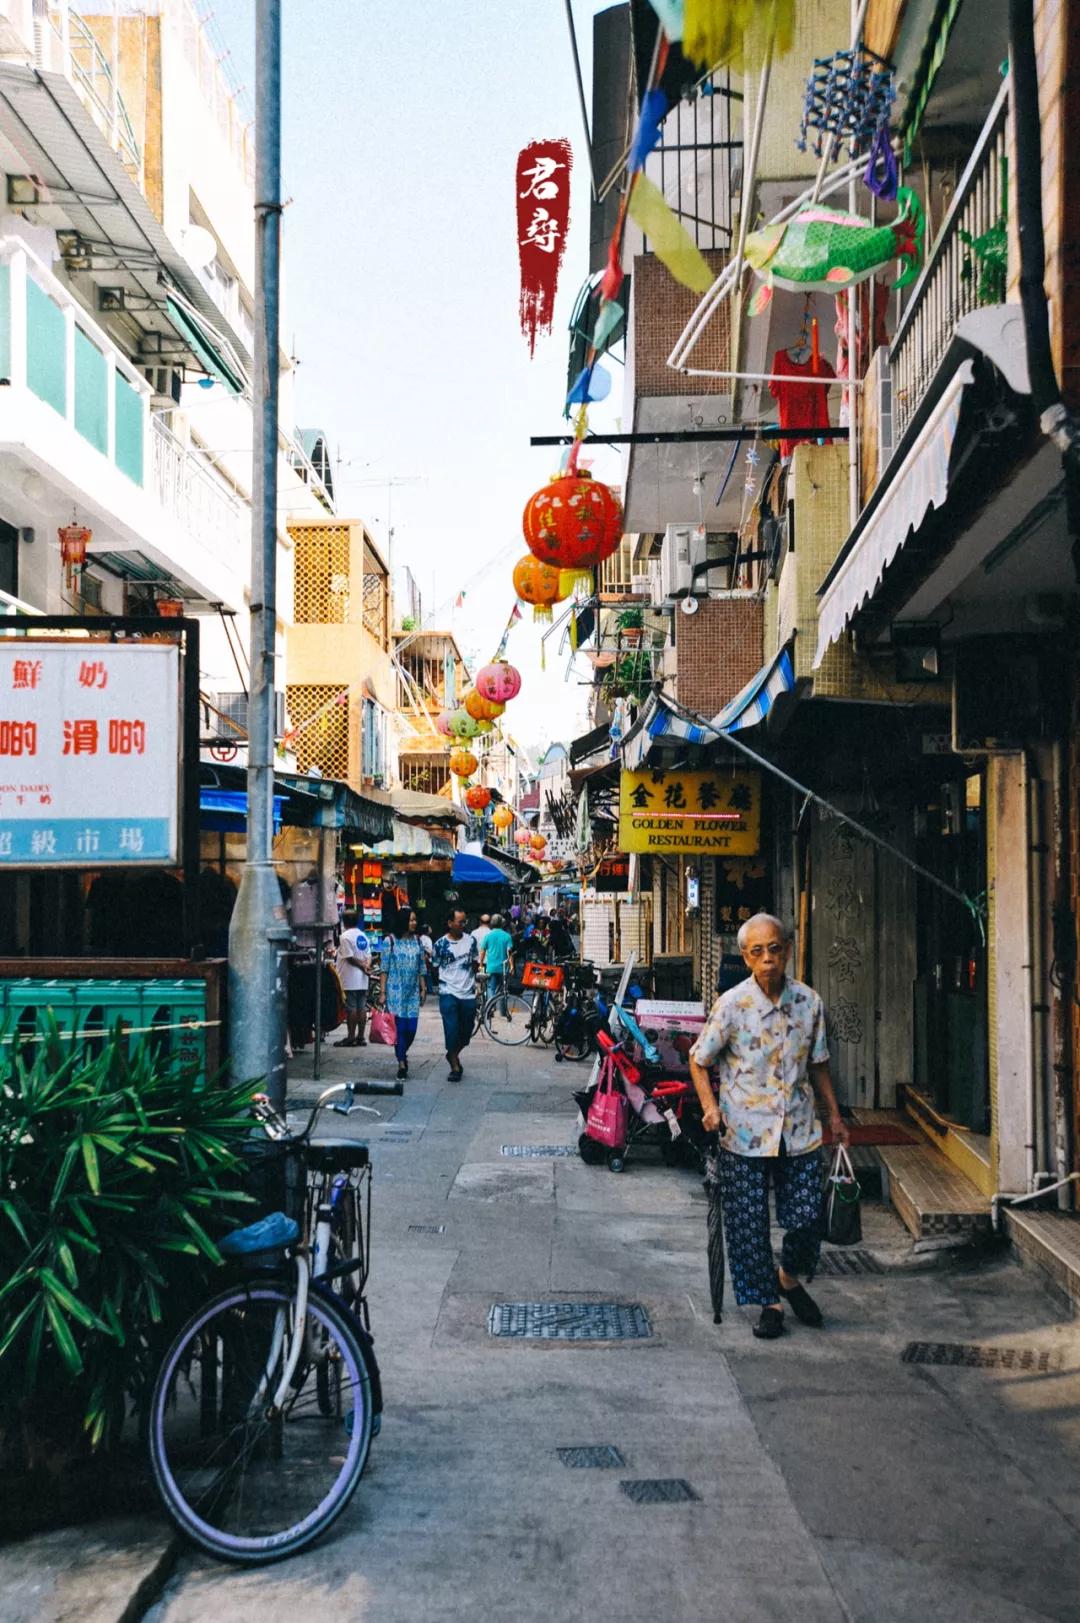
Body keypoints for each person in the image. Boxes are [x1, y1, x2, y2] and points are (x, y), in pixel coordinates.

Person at [688, 912, 849, 1342]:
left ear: (787, 951)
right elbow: (699, 1059)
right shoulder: (732, 1005)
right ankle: (770, 1302)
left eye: (774, 949)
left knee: (808, 1219)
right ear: (745, 957)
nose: (767, 960)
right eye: (757, 952)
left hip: (798, 1130)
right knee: (748, 1224)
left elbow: (819, 1064)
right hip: (742, 1133)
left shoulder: (809, 1003)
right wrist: (709, 1107)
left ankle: (789, 1278)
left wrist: (835, 1115)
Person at [434, 909, 479, 1081]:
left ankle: (453, 1053)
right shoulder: (440, 944)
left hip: (467, 992)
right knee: (451, 1028)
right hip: (448, 992)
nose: (462, 925)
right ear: (450, 923)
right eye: (460, 922)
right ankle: (454, 1063)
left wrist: (476, 981)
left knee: (467, 1030)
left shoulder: (471, 941)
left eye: (464, 922)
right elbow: (435, 965)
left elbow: (475, 962)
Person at [381, 908, 425, 1080]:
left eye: (415, 920)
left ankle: (402, 1053)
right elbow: (384, 969)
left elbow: (421, 966)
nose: (414, 923)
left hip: (412, 991)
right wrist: (383, 992)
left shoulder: (418, 942)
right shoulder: (389, 941)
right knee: (400, 1029)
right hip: (395, 991)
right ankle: (401, 1062)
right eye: (411, 920)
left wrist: (423, 988)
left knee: (411, 1029)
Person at [334, 909, 371, 1047]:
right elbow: (368, 956)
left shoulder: (344, 937)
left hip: (350, 977)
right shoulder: (363, 936)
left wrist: (362, 966)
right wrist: (366, 966)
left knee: (351, 1008)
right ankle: (361, 1037)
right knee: (361, 1007)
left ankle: (350, 1037)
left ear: (343, 921)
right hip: (362, 978)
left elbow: (349, 958)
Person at [481, 912, 515, 1016]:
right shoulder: (507, 936)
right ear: (502, 923)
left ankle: (490, 1007)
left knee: (491, 987)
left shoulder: (488, 936)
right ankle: (503, 1011)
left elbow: (482, 951)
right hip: (503, 968)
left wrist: (481, 964)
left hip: (491, 967)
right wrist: (512, 966)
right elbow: (509, 952)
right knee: (502, 988)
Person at [419, 926, 437, 998]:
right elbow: (423, 947)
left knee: (428, 973)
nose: (431, 929)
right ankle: (428, 989)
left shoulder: (427, 938)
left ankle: (428, 989)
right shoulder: (423, 938)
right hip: (425, 958)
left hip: (429, 958)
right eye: (429, 928)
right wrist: (427, 954)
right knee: (427, 973)